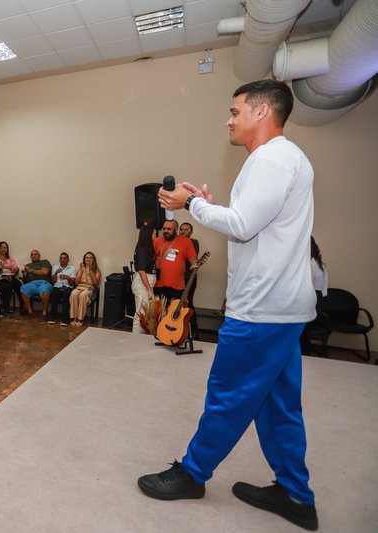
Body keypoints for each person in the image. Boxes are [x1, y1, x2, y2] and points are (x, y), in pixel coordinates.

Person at [139, 80, 319, 531]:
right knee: (277, 405)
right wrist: (210, 206)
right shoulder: (284, 158)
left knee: (228, 396)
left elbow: (240, 226)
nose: (228, 120)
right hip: (282, 307)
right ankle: (295, 493)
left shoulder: (270, 159)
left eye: (235, 111)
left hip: (260, 309)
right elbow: (249, 223)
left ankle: (192, 474)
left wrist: (191, 203)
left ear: (261, 112)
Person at [153, 219, 197, 305]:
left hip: (177, 285)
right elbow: (150, 259)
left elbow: (193, 260)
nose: (166, 231)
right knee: (159, 311)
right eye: (164, 229)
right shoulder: (157, 241)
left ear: (176, 229)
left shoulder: (186, 241)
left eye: (169, 229)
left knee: (174, 311)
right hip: (158, 283)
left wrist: (194, 264)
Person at [132, 224, 157, 335]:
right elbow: (142, 271)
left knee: (145, 314)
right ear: (148, 235)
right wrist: (149, 290)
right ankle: (136, 340)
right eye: (154, 234)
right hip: (142, 284)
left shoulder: (146, 249)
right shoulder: (142, 250)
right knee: (140, 314)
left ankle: (141, 338)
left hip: (146, 284)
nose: (155, 236)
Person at [179, 221, 201, 338]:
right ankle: (178, 330)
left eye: (186, 230)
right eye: (181, 229)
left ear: (191, 232)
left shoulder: (193, 242)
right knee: (176, 304)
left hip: (189, 279)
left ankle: (193, 332)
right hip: (177, 279)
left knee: (188, 304)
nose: (183, 231)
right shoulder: (175, 242)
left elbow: (189, 257)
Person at [69, 251, 101, 326]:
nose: (88, 259)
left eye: (91, 258)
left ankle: (80, 319)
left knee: (83, 295)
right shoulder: (81, 268)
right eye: (87, 258)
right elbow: (76, 282)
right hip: (80, 287)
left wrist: (91, 270)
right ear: (84, 259)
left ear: (93, 260)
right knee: (74, 293)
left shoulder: (96, 270)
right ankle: (74, 317)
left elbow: (96, 283)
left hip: (89, 288)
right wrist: (81, 271)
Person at [19, 250, 52, 319]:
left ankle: (44, 313)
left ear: (39, 255)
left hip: (43, 282)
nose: (34, 256)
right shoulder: (28, 265)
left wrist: (31, 271)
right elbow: (25, 281)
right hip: (32, 284)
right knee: (23, 288)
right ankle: (30, 312)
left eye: (36, 254)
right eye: (32, 255)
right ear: (30, 257)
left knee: (45, 290)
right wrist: (25, 275)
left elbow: (45, 272)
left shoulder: (45, 262)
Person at [0, 241, 22, 316]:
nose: (4, 249)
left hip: (10, 277)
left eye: (5, 247)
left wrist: (16, 269)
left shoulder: (10, 257)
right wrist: (3, 268)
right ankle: (5, 309)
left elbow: (14, 266)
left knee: (19, 285)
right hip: (0, 279)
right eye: (2, 247)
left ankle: (22, 307)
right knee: (8, 286)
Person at [48, 253, 75, 326]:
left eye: (64, 258)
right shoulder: (55, 267)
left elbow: (72, 283)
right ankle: (52, 317)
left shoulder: (72, 268)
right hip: (57, 286)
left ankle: (64, 318)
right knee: (54, 294)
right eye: (61, 258)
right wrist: (56, 273)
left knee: (66, 295)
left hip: (67, 286)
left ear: (68, 260)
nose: (62, 259)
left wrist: (68, 278)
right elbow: (53, 282)